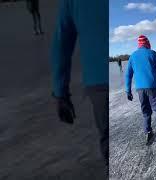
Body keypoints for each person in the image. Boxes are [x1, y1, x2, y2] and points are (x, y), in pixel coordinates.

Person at [50, 0, 108, 173]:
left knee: (108, 137)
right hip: (101, 79)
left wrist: (60, 92)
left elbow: (61, 43)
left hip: (98, 80)